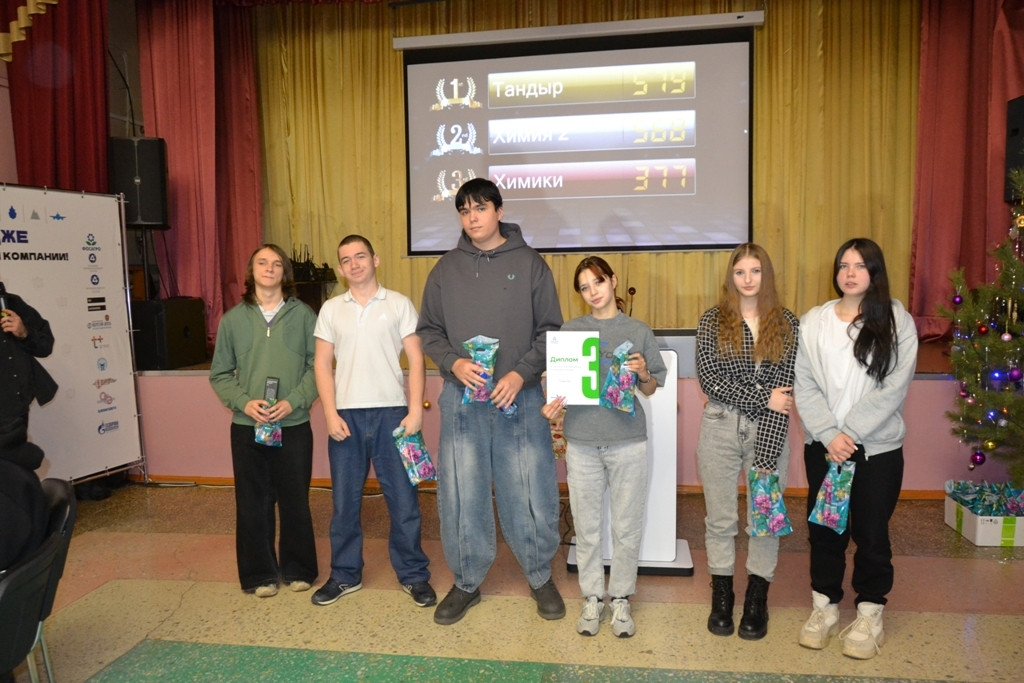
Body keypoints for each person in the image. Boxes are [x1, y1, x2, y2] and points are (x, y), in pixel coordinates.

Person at [416, 177, 565, 625]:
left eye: (480, 208)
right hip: (462, 402)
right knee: (462, 491)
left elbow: (550, 331)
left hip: (520, 397)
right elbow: (429, 331)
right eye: (464, 211)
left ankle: (539, 575)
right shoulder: (445, 270)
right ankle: (466, 581)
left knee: (530, 488)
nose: (472, 217)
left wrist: (520, 373)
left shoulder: (531, 264)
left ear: (499, 211)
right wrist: (454, 363)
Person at [794, 237, 917, 660]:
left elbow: (894, 387)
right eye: (844, 265)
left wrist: (850, 433)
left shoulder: (896, 320)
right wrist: (831, 435)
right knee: (826, 530)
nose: (850, 273)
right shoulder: (814, 322)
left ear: (874, 272)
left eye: (860, 265)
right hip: (826, 448)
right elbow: (805, 384)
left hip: (876, 450)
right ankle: (824, 607)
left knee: (871, 533)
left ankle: (869, 612)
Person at [541, 256, 667, 638]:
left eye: (597, 282)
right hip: (581, 442)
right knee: (587, 527)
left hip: (628, 442)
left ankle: (621, 597)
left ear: (612, 281)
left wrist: (643, 372)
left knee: (627, 526)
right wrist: (551, 401)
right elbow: (559, 385)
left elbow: (651, 388)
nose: (592, 292)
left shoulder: (638, 330)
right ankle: (593, 597)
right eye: (584, 287)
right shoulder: (570, 331)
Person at [310, 234, 436, 609]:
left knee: (404, 503)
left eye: (360, 256)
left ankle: (414, 575)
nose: (354, 264)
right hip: (345, 417)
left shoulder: (398, 304)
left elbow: (416, 359)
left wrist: (415, 411)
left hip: (393, 416)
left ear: (375, 259)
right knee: (344, 505)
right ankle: (345, 575)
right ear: (340, 268)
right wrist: (329, 413)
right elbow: (322, 364)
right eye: (346, 259)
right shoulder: (331, 309)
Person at [695, 243, 799, 641]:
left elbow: (783, 391)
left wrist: (768, 448)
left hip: (769, 428)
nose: (748, 279)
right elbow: (710, 380)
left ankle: (757, 599)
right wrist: (762, 396)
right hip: (719, 425)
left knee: (764, 518)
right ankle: (722, 597)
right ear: (731, 277)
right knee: (720, 519)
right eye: (740, 272)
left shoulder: (787, 323)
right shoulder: (713, 320)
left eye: (755, 271)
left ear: (765, 275)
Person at [210, 244, 319, 598]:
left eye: (276, 264)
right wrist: (244, 403)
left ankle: (299, 569)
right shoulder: (233, 320)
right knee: (252, 503)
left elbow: (317, 368)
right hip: (248, 427)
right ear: (251, 271)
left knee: (295, 500)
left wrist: (293, 401)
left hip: (294, 424)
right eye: (262, 262)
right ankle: (259, 575)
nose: (269, 268)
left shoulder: (304, 316)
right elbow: (220, 374)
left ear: (285, 272)